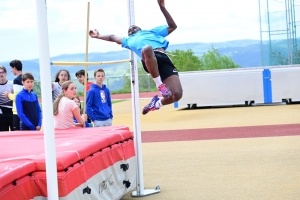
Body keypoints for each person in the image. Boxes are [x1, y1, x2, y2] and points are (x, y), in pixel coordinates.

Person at [89, 0, 182, 115]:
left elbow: (173, 26)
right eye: (129, 30)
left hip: (163, 58)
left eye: (134, 27)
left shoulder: (152, 32)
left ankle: (156, 103)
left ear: (140, 29)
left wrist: (162, 8)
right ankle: (160, 85)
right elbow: (112, 37)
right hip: (149, 57)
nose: (131, 29)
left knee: (177, 95)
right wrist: (98, 35)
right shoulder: (128, 41)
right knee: (147, 48)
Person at [3, 59, 23, 130]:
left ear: (14, 68)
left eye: (11, 68)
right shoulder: (27, 78)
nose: (11, 70)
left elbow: (17, 97)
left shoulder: (17, 80)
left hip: (17, 110)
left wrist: (8, 95)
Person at [0, 66, 13, 131]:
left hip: (12, 112)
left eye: (2, 72)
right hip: (1, 113)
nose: (1, 74)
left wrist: (10, 95)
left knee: (15, 134)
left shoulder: (12, 84)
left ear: (6, 73)